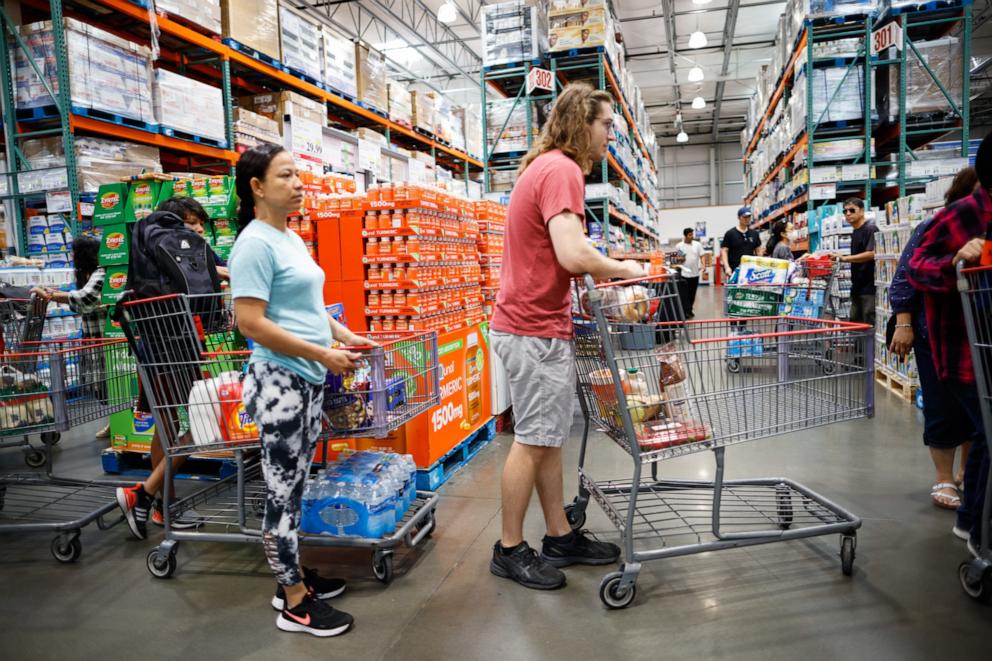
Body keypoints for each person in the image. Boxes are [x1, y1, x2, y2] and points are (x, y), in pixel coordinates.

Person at [489, 82, 646, 591]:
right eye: (605, 126)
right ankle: (509, 548)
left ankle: (559, 534)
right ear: (582, 123)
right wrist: (622, 269)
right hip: (531, 329)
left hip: (534, 324)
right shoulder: (561, 169)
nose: (609, 139)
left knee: (547, 438)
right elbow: (573, 255)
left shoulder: (545, 168)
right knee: (533, 439)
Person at [230, 144, 373, 636]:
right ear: (257, 186)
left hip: (306, 379)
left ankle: (291, 577)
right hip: (280, 383)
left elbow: (308, 309)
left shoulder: (289, 235)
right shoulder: (254, 244)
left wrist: (344, 335)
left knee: (295, 486)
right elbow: (250, 323)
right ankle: (294, 603)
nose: (299, 184)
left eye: (298, 175)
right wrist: (321, 355)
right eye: (287, 175)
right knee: (281, 494)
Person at [907, 136, 992, 557]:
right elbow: (910, 273)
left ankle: (972, 517)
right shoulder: (953, 220)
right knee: (961, 420)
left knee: (983, 432)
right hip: (956, 346)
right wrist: (904, 322)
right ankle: (973, 519)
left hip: (978, 346)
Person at [889, 167, 978, 510]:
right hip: (936, 332)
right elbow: (904, 277)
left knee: (977, 410)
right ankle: (944, 476)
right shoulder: (936, 227)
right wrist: (904, 322)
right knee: (942, 405)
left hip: (978, 335)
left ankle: (969, 472)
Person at [31, 236, 109, 438]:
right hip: (93, 336)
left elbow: (86, 298)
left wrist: (52, 296)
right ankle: (115, 421)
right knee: (100, 383)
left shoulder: (103, 272)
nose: (72, 256)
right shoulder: (88, 274)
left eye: (74, 252)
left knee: (111, 382)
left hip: (106, 336)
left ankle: (119, 424)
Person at [156, 196, 230, 280]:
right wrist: (209, 270)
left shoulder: (204, 249)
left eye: (202, 224)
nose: (200, 229)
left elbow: (225, 269)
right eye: (192, 223)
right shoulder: (157, 251)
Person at [835, 198, 877, 325]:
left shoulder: (870, 229)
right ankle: (859, 346)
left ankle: (868, 346)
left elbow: (872, 253)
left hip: (869, 287)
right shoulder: (856, 231)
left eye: (852, 210)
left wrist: (846, 258)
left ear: (862, 211)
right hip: (857, 286)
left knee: (868, 324)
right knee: (855, 324)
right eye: (845, 211)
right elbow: (859, 254)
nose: (848, 214)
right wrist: (841, 256)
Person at [721, 206, 762, 279]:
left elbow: (758, 251)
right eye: (744, 217)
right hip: (734, 270)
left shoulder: (754, 234)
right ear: (739, 218)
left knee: (750, 290)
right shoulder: (730, 233)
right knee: (735, 290)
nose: (747, 219)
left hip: (750, 271)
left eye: (749, 217)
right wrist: (727, 267)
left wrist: (760, 266)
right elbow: (724, 251)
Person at [676, 227, 705, 318]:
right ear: (685, 235)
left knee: (692, 294)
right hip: (684, 274)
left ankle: (689, 310)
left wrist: (703, 265)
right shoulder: (679, 246)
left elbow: (702, 255)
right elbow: (678, 259)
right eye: (690, 235)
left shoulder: (697, 245)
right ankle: (686, 312)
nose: (692, 236)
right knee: (685, 295)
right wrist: (680, 259)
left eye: (692, 234)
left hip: (695, 274)